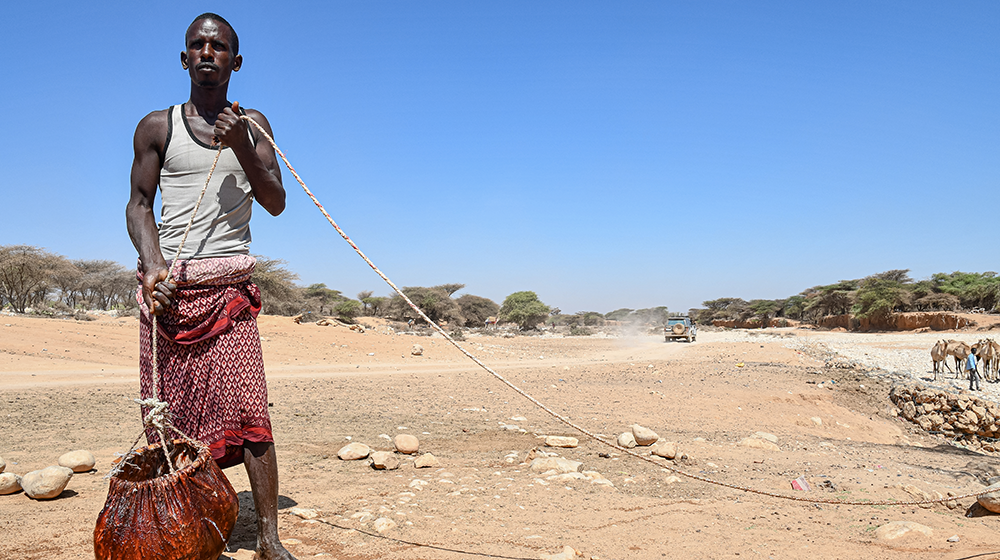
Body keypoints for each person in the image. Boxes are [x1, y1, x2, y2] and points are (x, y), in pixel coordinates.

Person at [125, 13, 295, 560]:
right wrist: (152, 267)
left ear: (235, 62)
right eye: (197, 45)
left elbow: (275, 201)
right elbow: (138, 206)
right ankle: (189, 526)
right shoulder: (157, 127)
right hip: (171, 296)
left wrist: (242, 143)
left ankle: (268, 538)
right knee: (172, 425)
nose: (207, 52)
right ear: (184, 59)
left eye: (218, 46)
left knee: (251, 414)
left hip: (229, 294)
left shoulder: (257, 125)